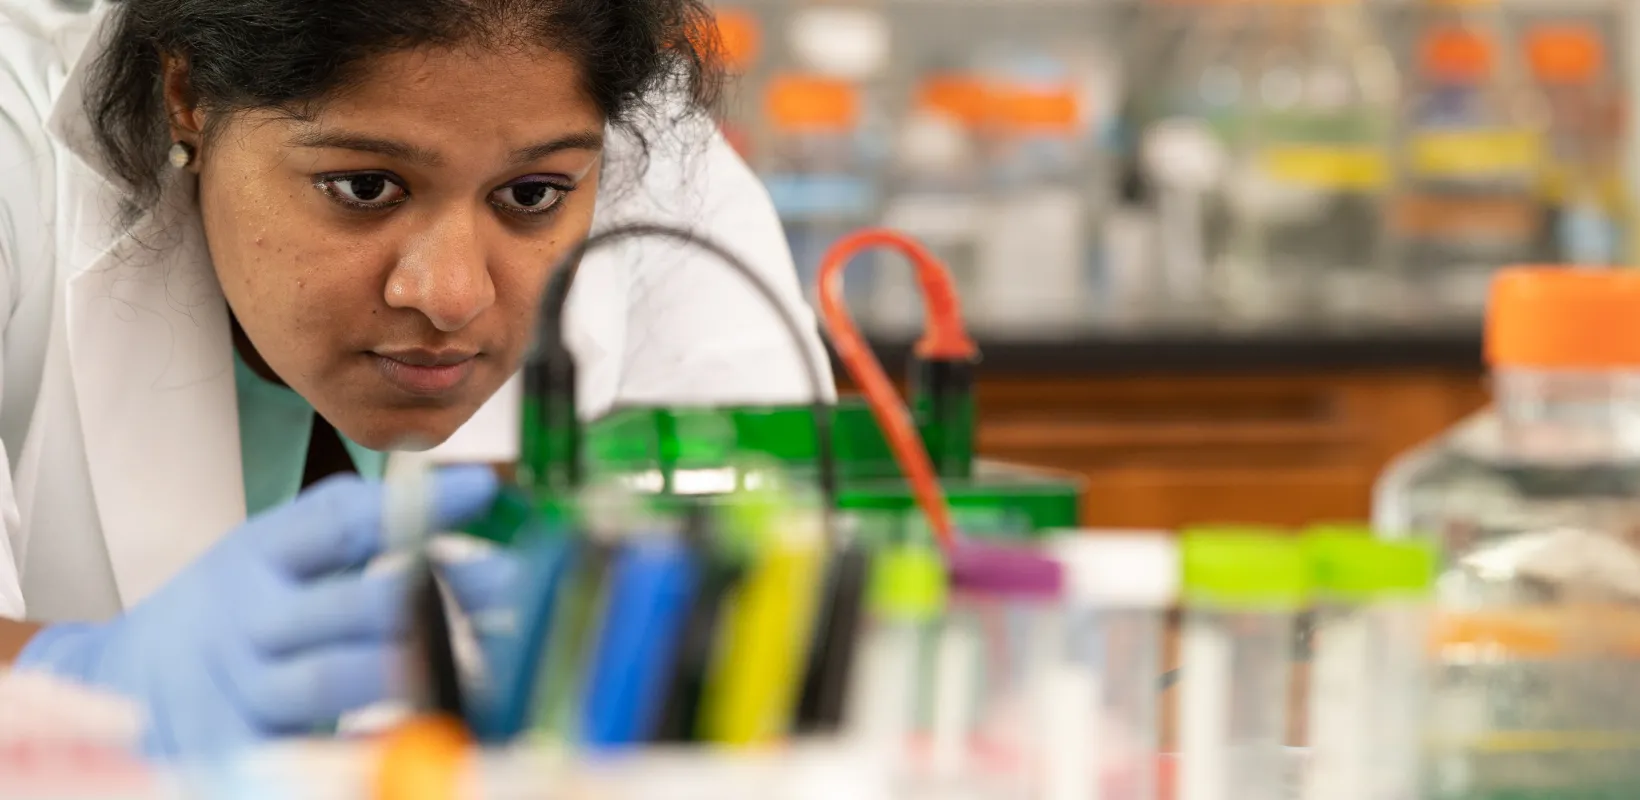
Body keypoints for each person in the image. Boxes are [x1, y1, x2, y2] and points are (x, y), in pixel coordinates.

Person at [0, 0, 829, 756]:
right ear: (187, 93)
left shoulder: (664, 179)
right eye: (365, 188)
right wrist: (81, 673)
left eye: (532, 195)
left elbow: (784, 645)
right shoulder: (16, 153)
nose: (451, 297)